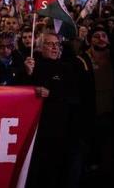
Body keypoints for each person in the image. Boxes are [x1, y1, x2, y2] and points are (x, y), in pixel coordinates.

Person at [26, 32, 83, 188]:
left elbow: (75, 97)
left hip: (60, 129)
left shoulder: (68, 68)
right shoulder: (32, 65)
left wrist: (52, 94)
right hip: (36, 131)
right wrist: (28, 74)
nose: (55, 48)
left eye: (57, 45)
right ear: (40, 47)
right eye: (50, 44)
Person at [76, 26, 113, 181]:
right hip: (89, 116)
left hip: (110, 115)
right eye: (96, 36)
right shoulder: (81, 61)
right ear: (90, 40)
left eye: (104, 35)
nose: (101, 39)